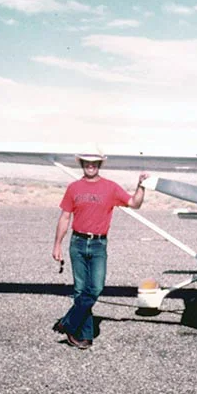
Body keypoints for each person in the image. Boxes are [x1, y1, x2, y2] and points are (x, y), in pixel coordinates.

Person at [52, 148, 148, 349]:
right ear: (81, 164)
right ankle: (84, 335)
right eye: (87, 162)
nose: (90, 165)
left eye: (95, 162)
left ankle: (68, 322)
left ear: (100, 165)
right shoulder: (74, 188)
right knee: (80, 290)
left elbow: (134, 203)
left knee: (95, 287)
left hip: (98, 244)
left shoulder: (110, 188)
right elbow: (65, 217)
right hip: (77, 243)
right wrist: (57, 244)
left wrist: (141, 186)